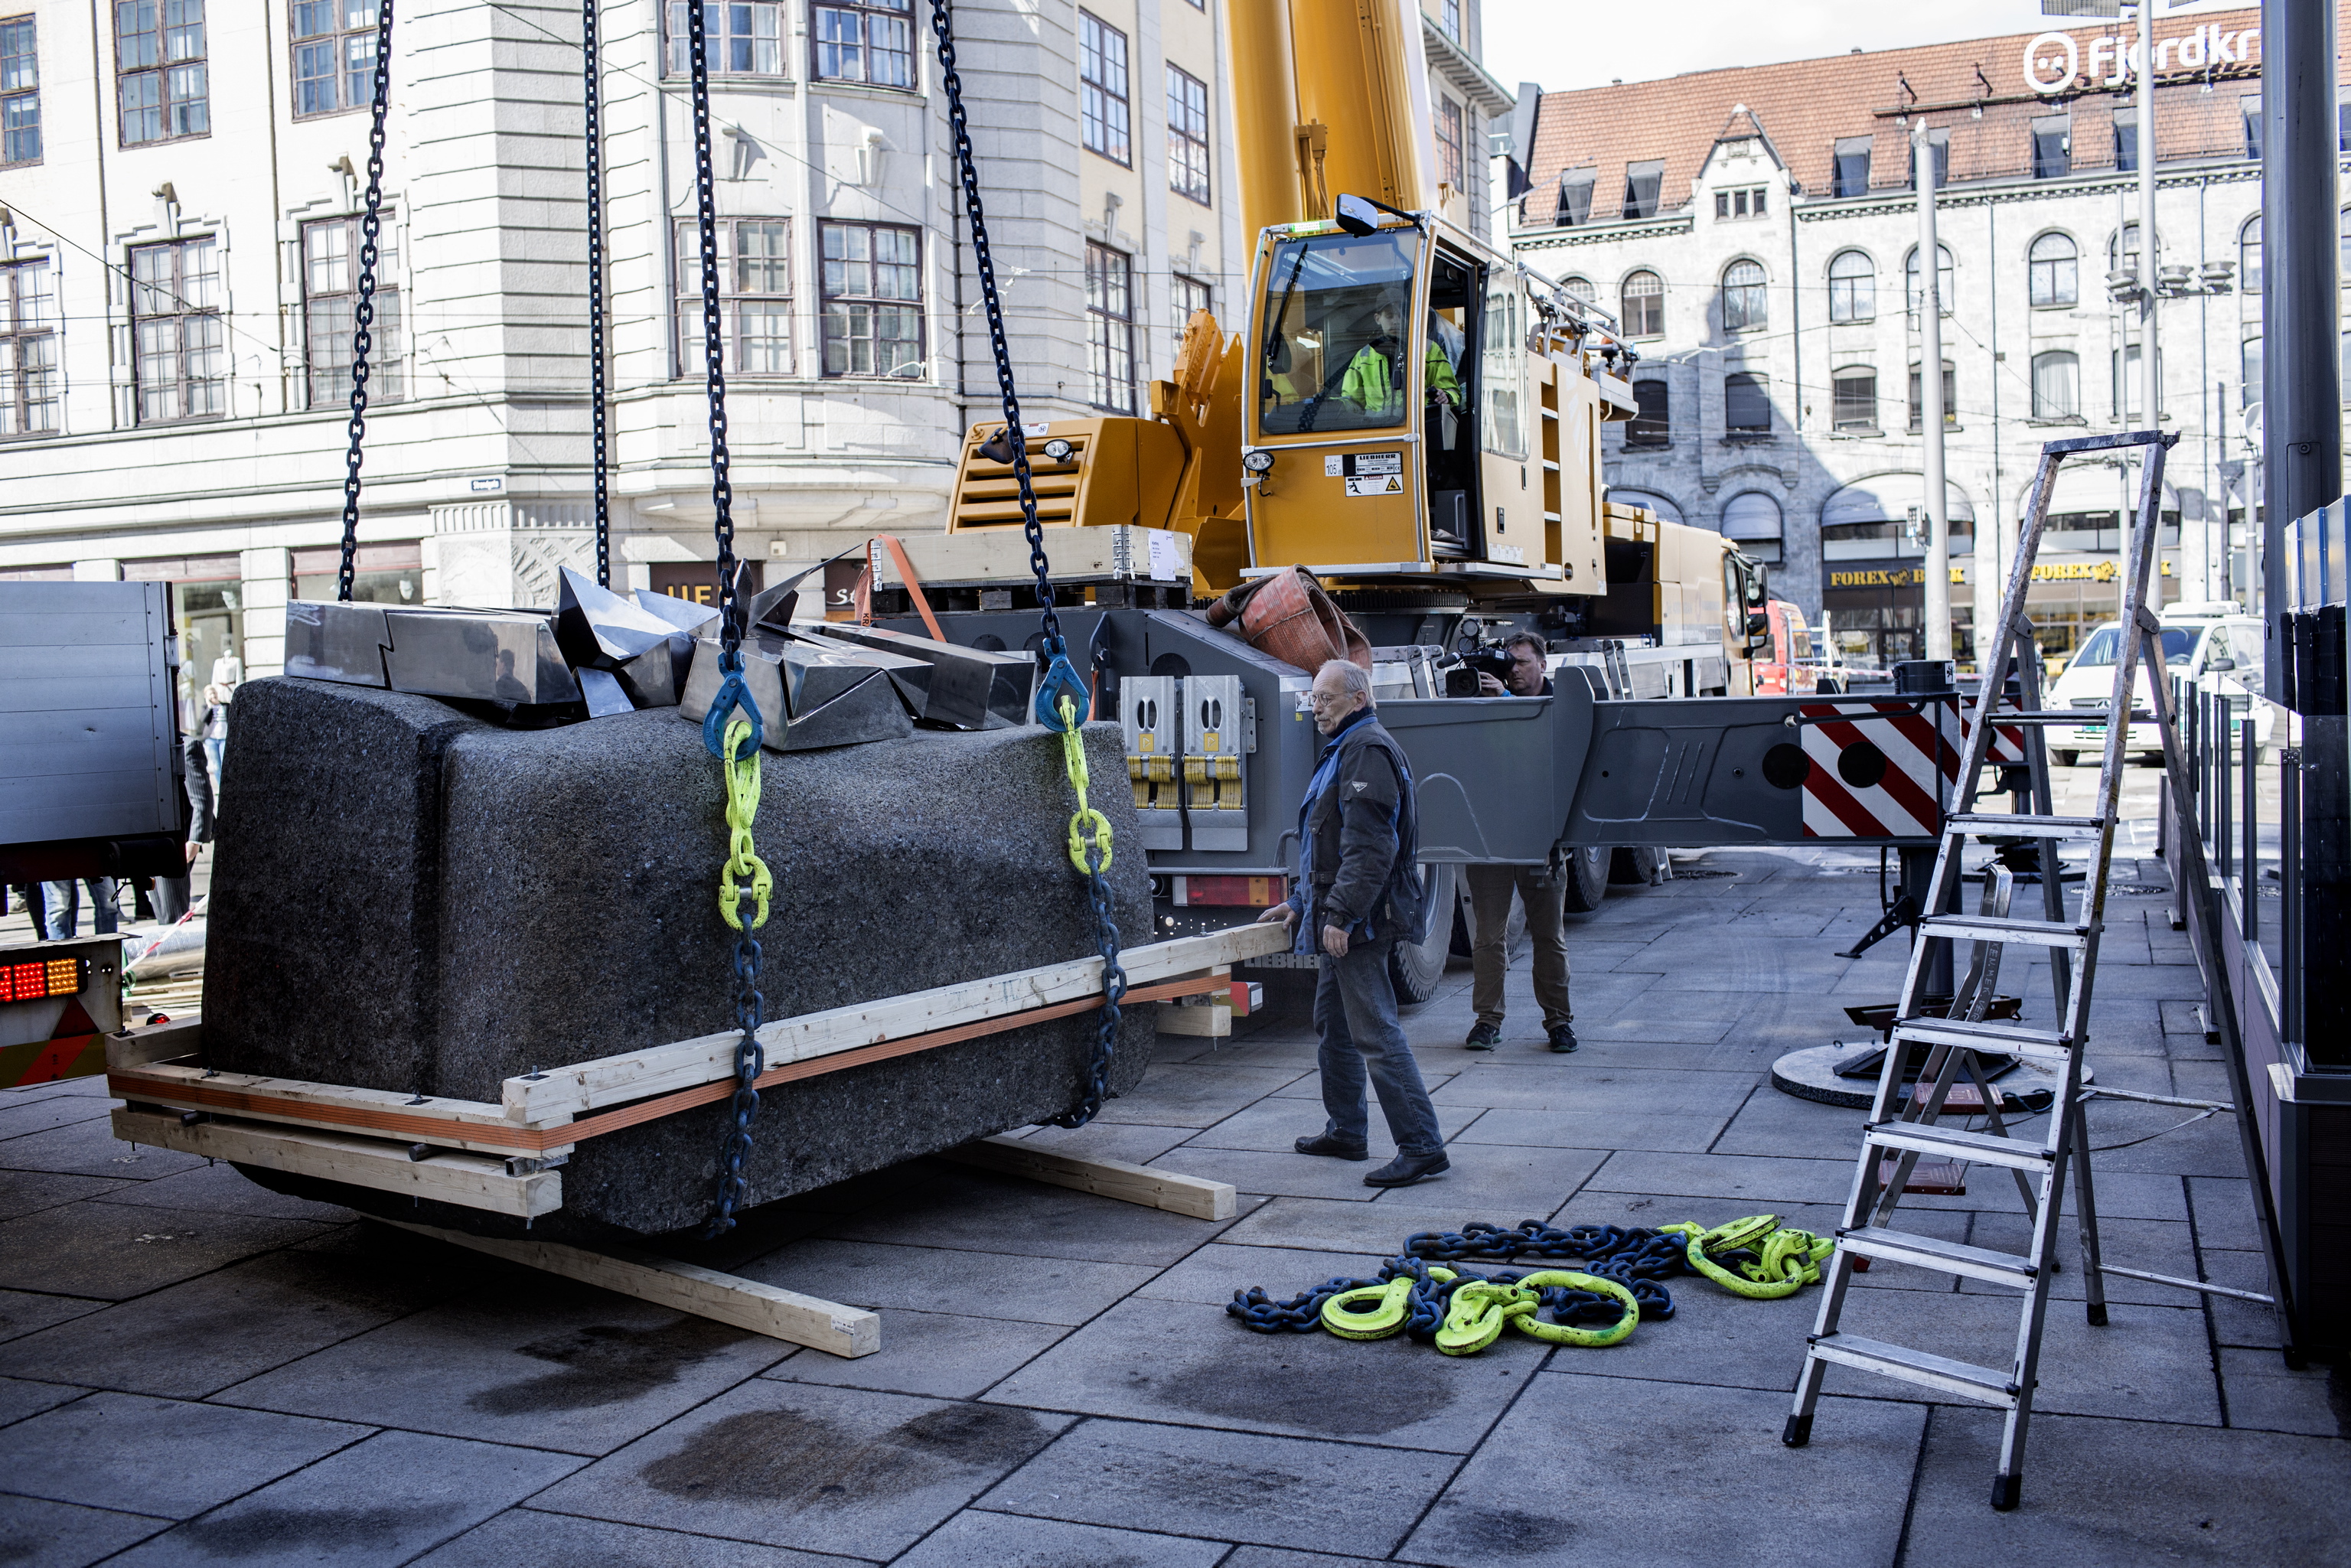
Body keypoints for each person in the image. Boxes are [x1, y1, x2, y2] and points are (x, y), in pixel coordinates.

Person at [1257, 658, 1449, 1186]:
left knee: (1376, 1034)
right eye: (1314, 698)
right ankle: (1347, 1130)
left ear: (1358, 700)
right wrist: (1300, 901)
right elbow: (1328, 841)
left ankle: (1421, 1144)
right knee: (1334, 1027)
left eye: (1327, 698)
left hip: (1359, 925)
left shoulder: (1368, 751)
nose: (1316, 707)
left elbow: (1369, 849)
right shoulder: (1348, 748)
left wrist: (1339, 914)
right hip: (1340, 917)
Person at [1464, 632, 1577, 1054]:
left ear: (1543, 665)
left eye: (1523, 663)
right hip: (1490, 836)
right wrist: (1482, 700)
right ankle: (1487, 1021)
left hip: (1540, 839)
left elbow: (1553, 758)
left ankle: (1559, 1023)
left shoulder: (1561, 707)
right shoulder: (1487, 699)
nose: (1513, 670)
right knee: (1488, 936)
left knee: (1549, 936)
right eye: (1508, 663)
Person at [1339, 302, 1460, 419]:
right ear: (1377, 319)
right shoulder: (1363, 355)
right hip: (1376, 430)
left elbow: (1452, 391)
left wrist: (1446, 396)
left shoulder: (1428, 349)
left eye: (1400, 315)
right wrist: (1329, 404)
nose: (1396, 321)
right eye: (1389, 316)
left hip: (1420, 428)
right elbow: (1350, 400)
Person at [154, 731, 217, 925]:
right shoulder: (150, 746)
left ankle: (176, 952)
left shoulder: (188, 746)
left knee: (173, 913)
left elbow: (202, 800)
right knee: (163, 911)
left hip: (177, 841)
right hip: (155, 838)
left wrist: (195, 841)